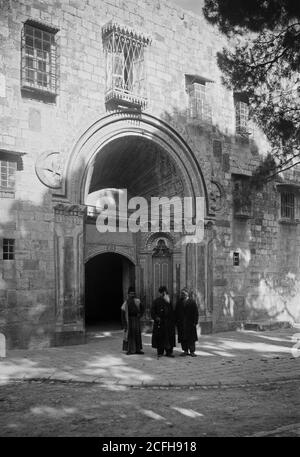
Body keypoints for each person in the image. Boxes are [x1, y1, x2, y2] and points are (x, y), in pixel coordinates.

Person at [151, 286, 176, 358]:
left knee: (169, 337)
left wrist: (173, 321)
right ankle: (160, 352)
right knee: (160, 337)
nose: (164, 294)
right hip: (160, 322)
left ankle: (169, 352)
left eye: (165, 292)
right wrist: (156, 317)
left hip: (169, 323)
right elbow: (152, 312)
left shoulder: (169, 300)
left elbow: (172, 311)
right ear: (160, 293)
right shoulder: (156, 301)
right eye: (162, 292)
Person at [175, 288, 199, 357]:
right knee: (183, 338)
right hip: (181, 323)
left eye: (184, 293)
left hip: (190, 323)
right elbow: (176, 312)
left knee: (191, 338)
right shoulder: (179, 302)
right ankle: (185, 350)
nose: (183, 295)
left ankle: (192, 351)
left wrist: (195, 322)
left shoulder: (192, 302)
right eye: (182, 293)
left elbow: (196, 313)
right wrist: (176, 322)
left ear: (187, 294)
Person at [121, 286, 144, 355]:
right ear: (128, 294)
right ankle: (130, 350)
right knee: (130, 335)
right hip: (129, 320)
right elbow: (122, 313)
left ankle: (138, 350)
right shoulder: (126, 303)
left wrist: (139, 315)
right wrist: (124, 324)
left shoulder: (137, 301)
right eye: (130, 294)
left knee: (137, 334)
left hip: (136, 320)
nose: (132, 295)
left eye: (133, 293)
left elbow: (142, 309)